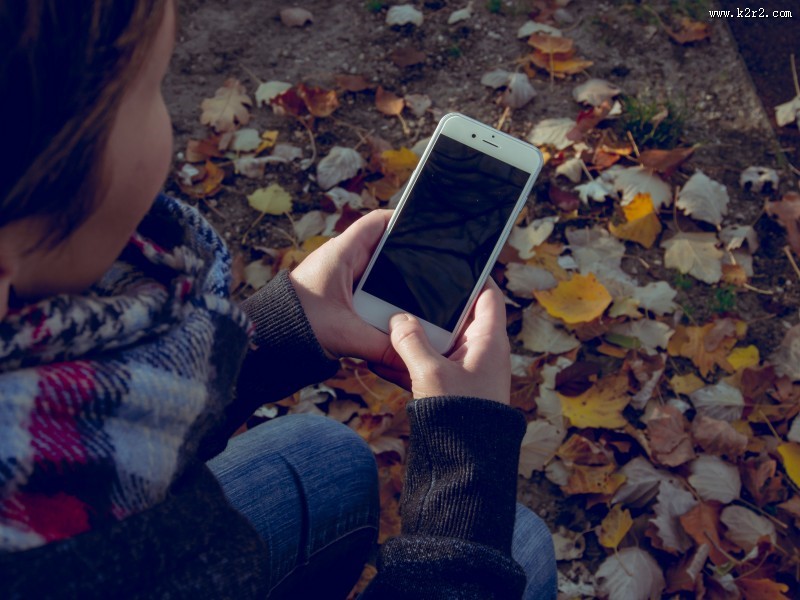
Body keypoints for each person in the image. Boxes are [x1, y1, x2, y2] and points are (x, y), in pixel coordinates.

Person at [0, 0, 557, 598]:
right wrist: (464, 471)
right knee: (521, 543)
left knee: (329, 452)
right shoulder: (81, 561)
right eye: (154, 87)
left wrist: (275, 332)